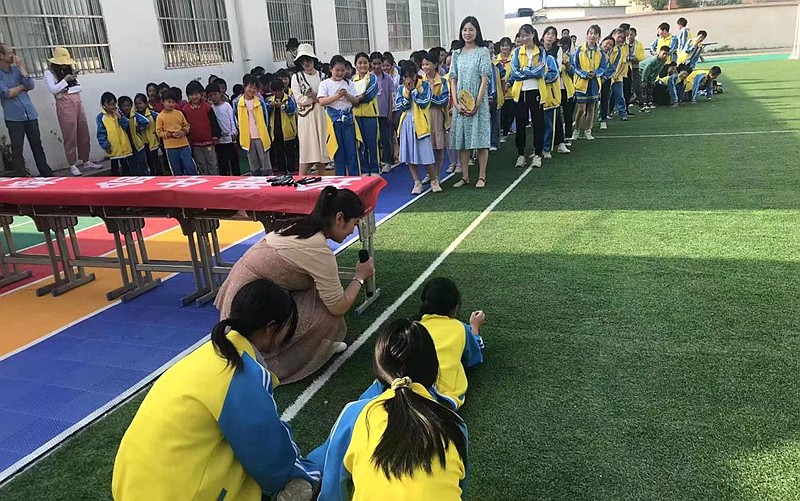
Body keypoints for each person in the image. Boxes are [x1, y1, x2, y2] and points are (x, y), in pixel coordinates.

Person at [113, 279, 321, 501]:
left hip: (130, 486)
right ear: (271, 328)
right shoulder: (241, 374)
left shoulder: (210, 353)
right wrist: (309, 477)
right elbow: (270, 455)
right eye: (287, 327)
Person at [215, 187, 375, 383]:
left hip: (241, 298)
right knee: (328, 316)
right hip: (251, 312)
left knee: (316, 292)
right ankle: (274, 362)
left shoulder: (299, 226)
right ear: (339, 218)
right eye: (354, 224)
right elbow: (338, 306)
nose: (353, 231)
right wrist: (359, 277)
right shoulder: (318, 249)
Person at [309, 318, 469, 500]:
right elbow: (460, 487)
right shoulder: (455, 423)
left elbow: (333, 491)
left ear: (379, 369)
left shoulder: (355, 414)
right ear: (433, 369)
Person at [449, 16, 492, 189]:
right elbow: (453, 79)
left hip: (477, 103)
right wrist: (456, 103)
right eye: (464, 30)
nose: (467, 33)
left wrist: (477, 104)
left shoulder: (482, 51)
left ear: (477, 32)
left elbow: (484, 80)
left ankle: (482, 176)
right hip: (461, 103)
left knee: (481, 140)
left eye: (471, 30)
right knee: (462, 141)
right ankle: (465, 176)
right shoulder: (456, 53)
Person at [43, 47, 101, 176]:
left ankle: (86, 160)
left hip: (77, 103)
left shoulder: (68, 70)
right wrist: (65, 81)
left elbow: (78, 87)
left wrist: (66, 88)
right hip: (65, 106)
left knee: (83, 132)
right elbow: (53, 90)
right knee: (70, 135)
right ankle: (72, 164)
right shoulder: (49, 73)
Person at [0, 43, 52, 177]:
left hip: (29, 113)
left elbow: (30, 84)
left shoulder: (17, 70)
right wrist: (23, 87)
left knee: (37, 145)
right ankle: (21, 177)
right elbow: (7, 93)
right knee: (17, 149)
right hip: (14, 117)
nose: (13, 55)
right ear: (1, 56)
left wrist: (21, 67)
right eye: (9, 53)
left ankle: (46, 174)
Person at [510, 24, 549, 168]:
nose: (524, 38)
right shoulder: (516, 52)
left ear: (533, 34)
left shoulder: (541, 51)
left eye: (527, 35)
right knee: (520, 124)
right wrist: (528, 72)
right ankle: (521, 154)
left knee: (538, 123)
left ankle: (538, 153)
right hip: (520, 92)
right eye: (522, 36)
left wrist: (526, 71)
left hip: (536, 91)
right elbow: (514, 72)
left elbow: (541, 70)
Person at [395, 61, 437, 195]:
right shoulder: (400, 89)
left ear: (416, 75)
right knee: (410, 156)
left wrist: (413, 90)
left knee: (426, 154)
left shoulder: (424, 86)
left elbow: (424, 102)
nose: (409, 80)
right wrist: (407, 93)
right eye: (406, 77)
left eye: (412, 76)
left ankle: (434, 180)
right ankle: (417, 182)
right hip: (407, 123)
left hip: (421, 124)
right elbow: (401, 106)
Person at [291, 44, 332, 176]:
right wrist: (317, 99)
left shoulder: (323, 76)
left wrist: (315, 97)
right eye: (303, 60)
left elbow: (328, 96)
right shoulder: (296, 77)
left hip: (321, 115)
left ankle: (321, 178)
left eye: (308, 59)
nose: (306, 63)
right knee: (306, 150)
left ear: (313, 59)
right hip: (306, 117)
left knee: (322, 149)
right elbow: (299, 99)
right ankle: (301, 178)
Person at [318, 55, 362, 176]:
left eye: (343, 70)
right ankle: (340, 178)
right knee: (338, 152)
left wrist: (347, 95)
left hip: (348, 120)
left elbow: (356, 101)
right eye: (337, 70)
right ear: (331, 69)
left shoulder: (348, 83)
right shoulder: (325, 84)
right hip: (334, 122)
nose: (340, 73)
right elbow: (322, 101)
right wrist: (337, 96)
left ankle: (354, 178)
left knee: (351, 151)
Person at [571, 25, 608, 141]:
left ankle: (588, 131)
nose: (592, 36)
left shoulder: (600, 52)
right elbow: (575, 66)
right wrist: (584, 74)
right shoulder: (580, 49)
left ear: (599, 36)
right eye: (591, 33)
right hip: (581, 83)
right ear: (587, 34)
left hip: (594, 83)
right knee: (581, 109)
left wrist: (596, 73)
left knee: (591, 108)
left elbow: (603, 67)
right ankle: (576, 131)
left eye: (595, 34)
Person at [234, 74, 273, 176]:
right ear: (244, 86)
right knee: (253, 162)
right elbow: (236, 119)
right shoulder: (237, 103)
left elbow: (266, 118)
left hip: (261, 136)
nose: (252, 90)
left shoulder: (260, 102)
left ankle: (267, 179)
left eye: (255, 88)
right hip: (248, 137)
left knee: (265, 161)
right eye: (250, 87)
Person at [422, 50, 450, 189]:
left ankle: (437, 174)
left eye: (427, 64)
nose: (425, 67)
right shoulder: (420, 81)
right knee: (426, 146)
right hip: (423, 116)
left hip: (437, 115)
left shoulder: (442, 81)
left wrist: (428, 98)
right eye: (423, 64)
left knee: (438, 146)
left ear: (435, 65)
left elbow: (443, 100)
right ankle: (430, 173)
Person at [541, 26, 570, 157]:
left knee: (556, 115)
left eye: (553, 35)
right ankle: (541, 146)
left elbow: (557, 69)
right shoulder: (538, 49)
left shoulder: (557, 50)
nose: (550, 36)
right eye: (548, 34)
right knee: (542, 119)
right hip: (539, 88)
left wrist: (543, 76)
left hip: (553, 87)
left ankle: (559, 143)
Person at [183, 80, 221, 175]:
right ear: (188, 96)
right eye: (191, 95)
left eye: (196, 94)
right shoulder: (185, 110)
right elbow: (185, 125)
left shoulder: (207, 107)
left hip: (209, 141)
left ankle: (215, 181)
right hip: (195, 143)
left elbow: (214, 123)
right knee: (201, 164)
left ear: (201, 94)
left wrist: (215, 136)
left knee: (212, 163)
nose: (194, 97)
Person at [156, 89, 196, 175]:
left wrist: (183, 132)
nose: (171, 104)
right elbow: (159, 132)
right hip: (170, 147)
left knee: (190, 167)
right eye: (169, 102)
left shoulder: (179, 113)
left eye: (173, 102)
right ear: (162, 102)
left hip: (184, 144)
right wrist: (170, 134)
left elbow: (186, 125)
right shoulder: (160, 117)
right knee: (176, 169)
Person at [353, 52, 380, 176]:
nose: (362, 65)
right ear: (355, 65)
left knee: (372, 143)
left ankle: (374, 169)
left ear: (369, 64)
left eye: (365, 62)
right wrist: (356, 98)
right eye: (360, 63)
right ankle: (364, 170)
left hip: (370, 115)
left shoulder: (373, 78)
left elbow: (369, 95)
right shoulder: (352, 80)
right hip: (356, 116)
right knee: (360, 144)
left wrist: (356, 99)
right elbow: (350, 96)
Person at [96, 92, 133, 176]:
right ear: (103, 105)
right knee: (114, 166)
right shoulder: (101, 117)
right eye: (109, 105)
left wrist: (120, 117)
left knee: (125, 166)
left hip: (124, 145)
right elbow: (101, 133)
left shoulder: (118, 113)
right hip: (113, 146)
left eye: (113, 104)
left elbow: (126, 125)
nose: (112, 107)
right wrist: (105, 145)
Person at [268, 78, 299, 175]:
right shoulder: (269, 100)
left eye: (280, 90)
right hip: (275, 131)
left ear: (283, 89)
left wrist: (282, 106)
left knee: (290, 152)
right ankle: (282, 170)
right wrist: (271, 107)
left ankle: (291, 170)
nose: (278, 93)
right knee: (278, 153)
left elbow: (292, 110)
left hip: (288, 131)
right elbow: (265, 113)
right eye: (276, 91)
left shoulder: (288, 99)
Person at [372, 51, 395, 174]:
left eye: (379, 63)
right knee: (374, 140)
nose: (377, 66)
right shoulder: (368, 78)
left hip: (384, 113)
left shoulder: (388, 78)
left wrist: (390, 112)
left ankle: (387, 161)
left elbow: (390, 96)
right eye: (374, 64)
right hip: (372, 114)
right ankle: (376, 162)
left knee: (386, 138)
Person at [209, 83, 239, 175]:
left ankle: (237, 177)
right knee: (223, 163)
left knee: (234, 162)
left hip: (230, 139)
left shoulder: (227, 106)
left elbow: (232, 119)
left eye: (215, 94)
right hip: (219, 141)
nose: (213, 97)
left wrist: (234, 132)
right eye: (211, 96)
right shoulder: (211, 108)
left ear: (220, 93)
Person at [117, 95, 151, 176]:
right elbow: (125, 125)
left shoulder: (135, 115)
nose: (127, 108)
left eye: (128, 105)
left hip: (138, 145)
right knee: (133, 168)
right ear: (120, 107)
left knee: (143, 166)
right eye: (124, 106)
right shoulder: (117, 117)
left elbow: (146, 121)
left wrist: (138, 128)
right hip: (127, 147)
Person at [133, 93, 165, 176]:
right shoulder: (135, 116)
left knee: (156, 159)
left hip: (153, 140)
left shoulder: (152, 114)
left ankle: (160, 175)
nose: (138, 106)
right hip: (143, 142)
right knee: (148, 160)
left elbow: (161, 119)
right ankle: (152, 175)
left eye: (140, 103)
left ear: (146, 103)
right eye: (136, 104)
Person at [495, 37, 515, 142]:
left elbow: (514, 73)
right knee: (501, 114)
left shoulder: (513, 58)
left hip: (511, 91)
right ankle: (502, 131)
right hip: (500, 92)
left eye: (507, 45)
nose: (505, 48)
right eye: (503, 45)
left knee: (509, 113)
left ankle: (507, 130)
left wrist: (508, 84)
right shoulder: (496, 60)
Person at [558, 35, 577, 145]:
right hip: (555, 88)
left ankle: (568, 135)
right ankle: (558, 137)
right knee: (556, 115)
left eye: (566, 45)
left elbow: (573, 72)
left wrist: (568, 67)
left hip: (567, 89)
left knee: (568, 113)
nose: (564, 47)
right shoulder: (553, 56)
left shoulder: (569, 57)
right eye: (562, 45)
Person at [639, 46, 670, 111]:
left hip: (649, 73)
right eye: (663, 53)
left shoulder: (664, 60)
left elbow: (658, 70)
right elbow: (646, 69)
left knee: (650, 85)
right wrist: (643, 80)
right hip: (641, 70)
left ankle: (650, 101)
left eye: (666, 54)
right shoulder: (654, 60)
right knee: (644, 86)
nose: (665, 56)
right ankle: (644, 103)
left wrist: (653, 79)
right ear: (659, 52)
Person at [625, 27, 646, 108]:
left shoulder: (638, 45)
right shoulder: (624, 44)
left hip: (635, 67)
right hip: (625, 68)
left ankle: (641, 101)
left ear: (635, 35)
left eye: (631, 34)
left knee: (637, 85)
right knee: (627, 85)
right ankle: (628, 101)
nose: (629, 36)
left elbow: (641, 57)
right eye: (628, 35)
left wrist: (634, 59)